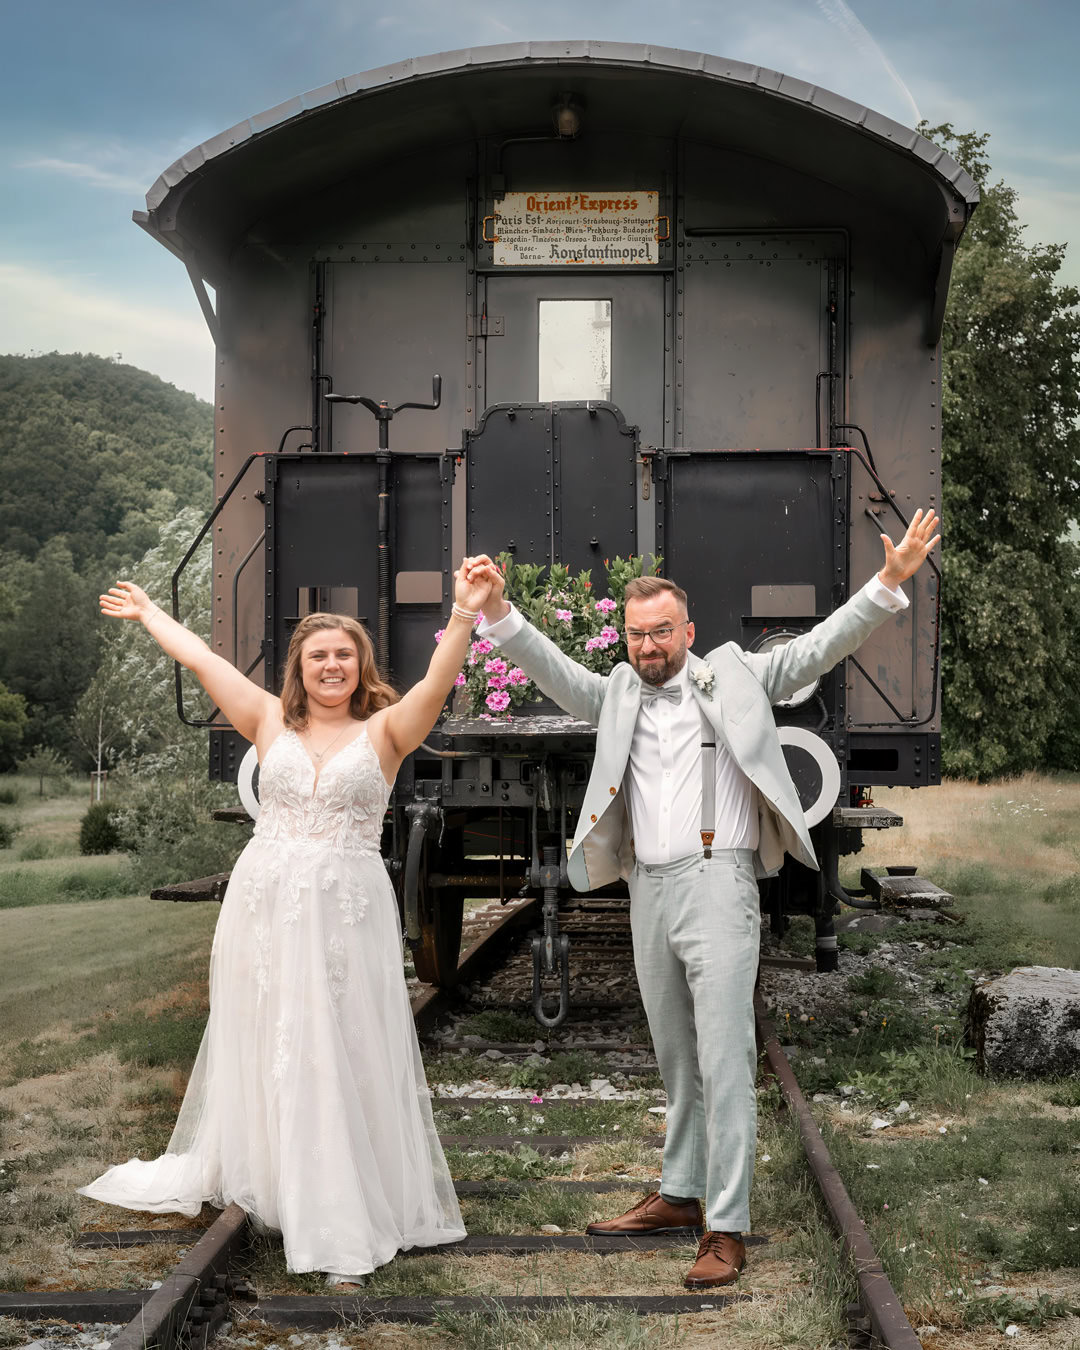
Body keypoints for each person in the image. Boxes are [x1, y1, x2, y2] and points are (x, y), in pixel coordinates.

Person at [466, 509, 939, 1290]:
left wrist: (888, 583)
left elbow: (822, 646)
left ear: (688, 630)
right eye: (635, 635)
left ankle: (726, 1224)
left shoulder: (739, 675)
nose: (648, 647)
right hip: (648, 889)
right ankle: (681, 1193)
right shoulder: (618, 690)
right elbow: (553, 670)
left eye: (661, 632)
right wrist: (494, 611)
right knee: (677, 1057)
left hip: (720, 882)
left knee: (725, 1058)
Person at [79, 561, 496, 1282]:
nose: (332, 666)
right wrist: (151, 614)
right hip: (265, 902)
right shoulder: (267, 719)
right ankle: (275, 1174)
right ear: (298, 671)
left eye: (343, 655)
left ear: (360, 665)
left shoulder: (388, 731)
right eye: (318, 656)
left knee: (339, 1040)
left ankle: (339, 1208)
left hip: (344, 911)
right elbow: (204, 659)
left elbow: (435, 685)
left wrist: (463, 616)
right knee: (273, 1034)